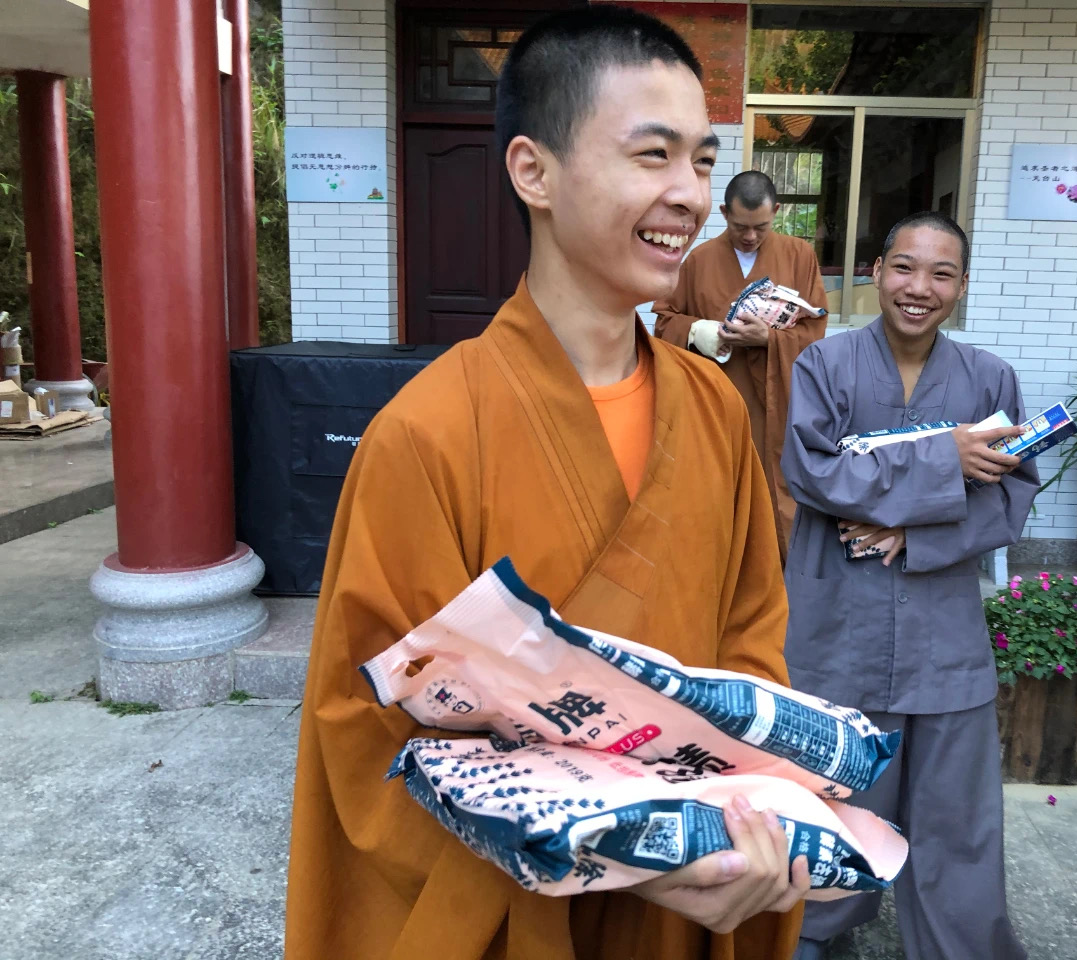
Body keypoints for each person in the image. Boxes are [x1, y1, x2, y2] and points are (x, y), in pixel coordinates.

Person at [284, 9, 811, 960]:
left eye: (701, 161)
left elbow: (750, 643)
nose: (689, 194)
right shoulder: (427, 434)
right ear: (534, 171)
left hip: (691, 899)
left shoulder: (713, 408)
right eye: (652, 155)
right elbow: (368, 731)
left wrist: (741, 823)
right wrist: (614, 852)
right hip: (517, 918)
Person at [780, 212, 1036, 960]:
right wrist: (942, 459)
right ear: (876, 271)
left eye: (941, 273)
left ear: (962, 285)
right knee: (834, 793)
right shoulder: (824, 366)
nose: (919, 287)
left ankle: (962, 946)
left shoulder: (989, 378)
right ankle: (814, 928)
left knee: (956, 812)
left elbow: (1012, 493)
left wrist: (914, 534)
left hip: (940, 629)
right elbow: (812, 472)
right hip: (840, 617)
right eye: (904, 267)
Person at [653, 171, 827, 562]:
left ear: (776, 212)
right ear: (724, 213)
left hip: (775, 402)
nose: (750, 236)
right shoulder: (699, 260)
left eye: (761, 227)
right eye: (740, 227)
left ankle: (775, 573)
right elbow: (664, 321)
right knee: (715, 494)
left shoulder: (799, 255)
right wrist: (700, 331)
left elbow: (815, 329)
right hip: (714, 400)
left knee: (774, 493)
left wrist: (770, 339)